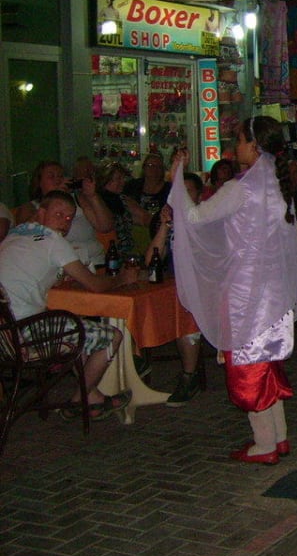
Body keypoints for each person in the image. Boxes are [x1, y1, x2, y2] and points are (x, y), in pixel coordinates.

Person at [169, 116, 297, 465]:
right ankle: (278, 437)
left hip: (247, 293)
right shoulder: (276, 186)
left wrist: (178, 179)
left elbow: (196, 218)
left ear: (254, 145)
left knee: (248, 366)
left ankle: (263, 444)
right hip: (274, 291)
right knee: (267, 364)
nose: (236, 147)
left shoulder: (240, 189)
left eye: (240, 140)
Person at [0, 190, 139, 420]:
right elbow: (95, 285)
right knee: (112, 336)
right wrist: (123, 279)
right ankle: (78, 400)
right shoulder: (52, 240)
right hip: (24, 335)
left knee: (70, 323)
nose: (64, 223)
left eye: (69, 218)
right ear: (41, 212)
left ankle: (92, 397)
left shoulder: (14, 235)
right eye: (59, 214)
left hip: (4, 335)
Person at [142, 172, 205, 406]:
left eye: (188, 191)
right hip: (172, 286)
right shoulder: (170, 224)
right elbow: (151, 261)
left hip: (200, 289)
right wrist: (165, 227)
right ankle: (135, 363)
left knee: (186, 311)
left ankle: (189, 376)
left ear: (198, 197)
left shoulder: (206, 222)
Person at [14, 160, 114, 268]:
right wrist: (53, 198)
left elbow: (105, 227)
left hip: (93, 260)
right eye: (51, 177)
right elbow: (24, 235)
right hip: (60, 265)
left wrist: (92, 196)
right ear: (39, 183)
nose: (58, 180)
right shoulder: (30, 207)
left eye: (61, 176)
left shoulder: (79, 199)